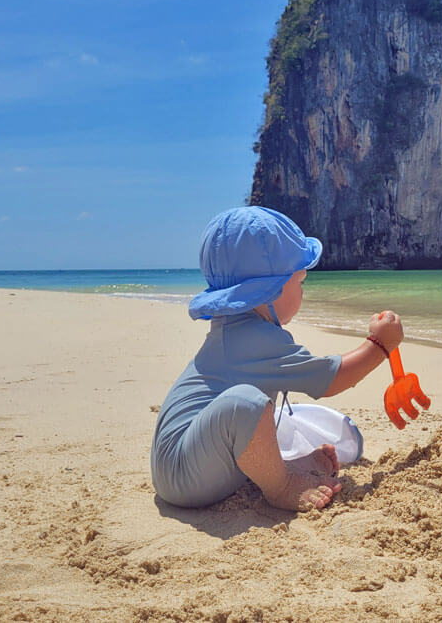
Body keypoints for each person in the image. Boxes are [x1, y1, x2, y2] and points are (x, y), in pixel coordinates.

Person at [151, 206, 404, 512]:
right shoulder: (252, 340)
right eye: (300, 283)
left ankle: (282, 466)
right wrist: (380, 345)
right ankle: (282, 485)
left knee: (259, 408)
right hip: (184, 477)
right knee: (248, 403)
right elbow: (333, 379)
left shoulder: (232, 329)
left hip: (194, 462)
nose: (303, 292)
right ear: (268, 291)